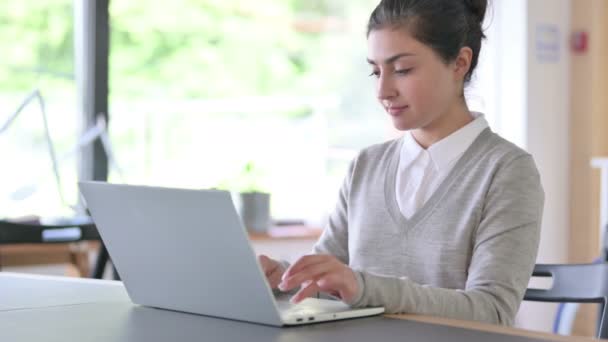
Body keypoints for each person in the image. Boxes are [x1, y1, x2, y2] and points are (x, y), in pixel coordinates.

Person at [258, 0, 544, 326]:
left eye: (403, 70)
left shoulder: (507, 171)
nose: (383, 90)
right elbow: (329, 286)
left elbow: (493, 311)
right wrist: (283, 279)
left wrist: (364, 287)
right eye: (376, 71)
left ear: (460, 63)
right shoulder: (365, 166)